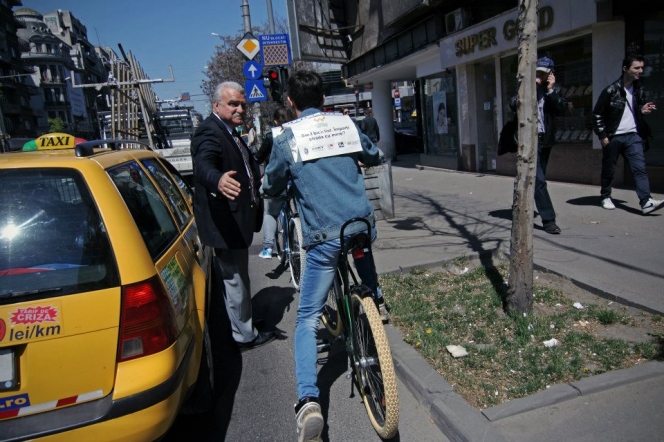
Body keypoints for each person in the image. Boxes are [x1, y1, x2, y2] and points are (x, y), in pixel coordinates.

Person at [262, 70, 388, 441]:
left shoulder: (287, 138)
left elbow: (271, 184)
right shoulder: (344, 125)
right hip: (360, 224)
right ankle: (375, 300)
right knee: (359, 245)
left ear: (291, 102)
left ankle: (308, 402)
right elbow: (375, 155)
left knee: (306, 319)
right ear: (323, 97)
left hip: (323, 237)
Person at [190, 81, 275, 351]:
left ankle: (242, 323)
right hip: (225, 223)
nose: (240, 109)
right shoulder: (209, 132)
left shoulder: (231, 131)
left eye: (242, 104)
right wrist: (217, 180)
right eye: (233, 104)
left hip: (235, 221)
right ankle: (244, 336)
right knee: (236, 279)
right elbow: (203, 165)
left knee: (238, 278)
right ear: (216, 105)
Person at [592, 50, 662, 215]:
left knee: (639, 168)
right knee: (610, 169)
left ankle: (646, 201)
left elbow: (634, 109)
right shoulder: (611, 91)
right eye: (636, 68)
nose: (640, 71)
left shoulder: (639, 90)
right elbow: (597, 114)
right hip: (613, 136)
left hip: (633, 135)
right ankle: (605, 196)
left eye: (642, 68)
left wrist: (642, 110)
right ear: (625, 68)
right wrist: (602, 135)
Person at [509, 55, 567, 234]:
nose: (540, 77)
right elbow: (512, 104)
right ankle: (549, 221)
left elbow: (563, 109)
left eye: (543, 74)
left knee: (536, 180)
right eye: (538, 73)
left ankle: (522, 209)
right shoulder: (526, 88)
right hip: (529, 141)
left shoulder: (554, 91)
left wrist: (550, 90)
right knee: (539, 180)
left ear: (551, 74)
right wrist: (529, 87)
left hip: (545, 141)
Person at [255, 106, 296, 258]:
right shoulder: (297, 133)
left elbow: (258, 158)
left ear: (275, 121)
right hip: (295, 179)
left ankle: (267, 248)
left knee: (270, 212)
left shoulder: (271, 137)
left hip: (277, 180)